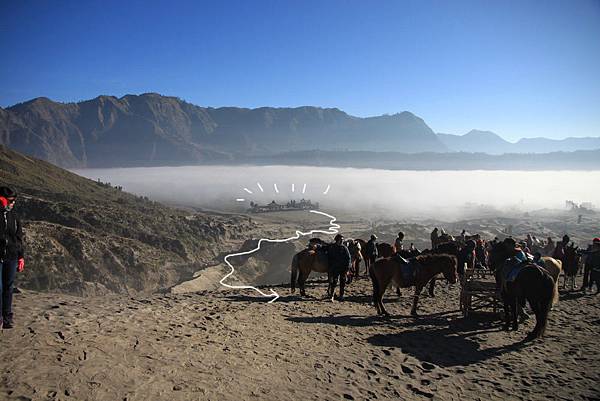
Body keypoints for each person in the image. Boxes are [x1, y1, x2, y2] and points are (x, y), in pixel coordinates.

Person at [0, 186, 25, 330]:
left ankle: (7, 317)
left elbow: (18, 238)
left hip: (11, 256)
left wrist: (21, 256)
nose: (13, 203)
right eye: (11, 200)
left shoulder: (14, 217)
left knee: (8, 287)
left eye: (15, 200)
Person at [327, 234, 351, 301]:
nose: (342, 241)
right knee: (334, 282)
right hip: (335, 268)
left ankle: (341, 295)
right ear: (337, 240)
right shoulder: (332, 248)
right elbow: (330, 258)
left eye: (342, 240)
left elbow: (348, 258)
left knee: (342, 282)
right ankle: (332, 295)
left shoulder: (344, 248)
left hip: (343, 268)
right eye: (341, 240)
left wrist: (347, 268)